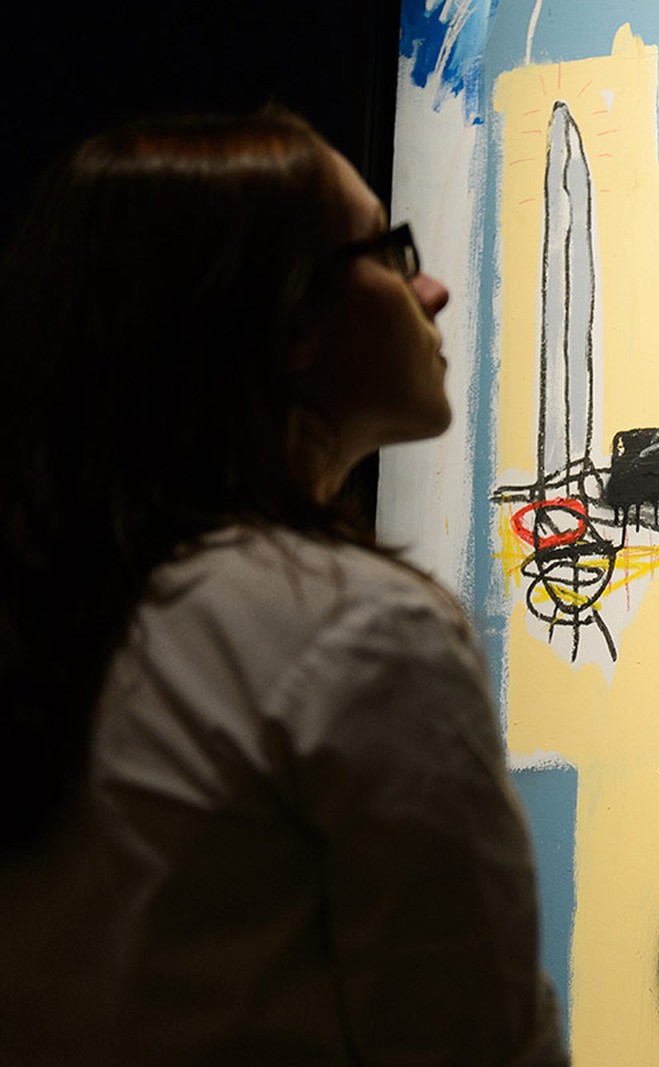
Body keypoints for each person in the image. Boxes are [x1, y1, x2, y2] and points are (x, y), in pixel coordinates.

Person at [0, 109, 569, 1065]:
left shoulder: (56, 621)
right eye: (389, 252)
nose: (431, 288)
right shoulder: (362, 635)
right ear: (293, 319)